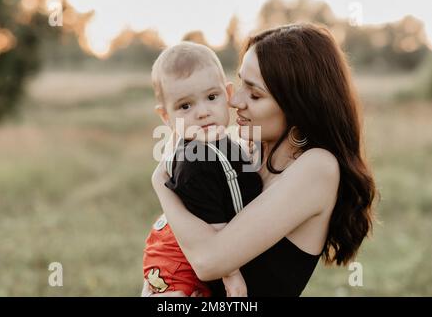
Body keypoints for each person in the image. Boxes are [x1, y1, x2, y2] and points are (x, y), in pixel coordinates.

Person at [147, 23, 377, 297]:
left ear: (296, 104)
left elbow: (208, 262)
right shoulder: (242, 150)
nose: (235, 101)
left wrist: (161, 184)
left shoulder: (318, 167)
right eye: (240, 82)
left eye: (255, 94)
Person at [142, 42, 263, 297]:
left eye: (211, 97)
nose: (203, 112)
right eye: (185, 106)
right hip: (175, 256)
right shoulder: (196, 162)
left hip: (181, 242)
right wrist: (231, 275)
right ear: (166, 116)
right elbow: (213, 228)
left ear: (227, 94)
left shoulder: (219, 142)